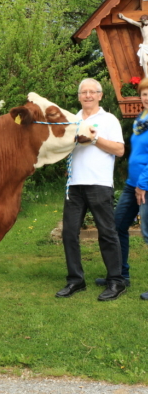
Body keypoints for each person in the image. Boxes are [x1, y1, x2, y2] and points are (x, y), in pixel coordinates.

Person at [56, 78, 126, 301]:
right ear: (79, 97)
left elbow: (119, 150)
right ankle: (76, 280)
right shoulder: (72, 120)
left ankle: (116, 281)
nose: (87, 95)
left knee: (107, 233)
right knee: (69, 234)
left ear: (100, 95)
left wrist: (94, 139)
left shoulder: (108, 119)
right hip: (74, 185)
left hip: (99, 184)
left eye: (92, 92)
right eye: (83, 92)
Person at [97, 77, 148, 299]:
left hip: (144, 186)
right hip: (132, 185)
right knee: (118, 226)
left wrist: (142, 185)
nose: (146, 97)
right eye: (144, 93)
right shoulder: (141, 119)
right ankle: (120, 275)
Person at [119, 13, 148, 78]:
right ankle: (147, 76)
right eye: (143, 21)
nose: (144, 22)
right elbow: (132, 21)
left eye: (145, 20)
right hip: (144, 46)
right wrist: (124, 17)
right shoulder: (141, 25)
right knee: (145, 60)